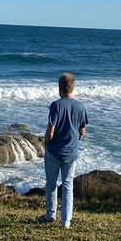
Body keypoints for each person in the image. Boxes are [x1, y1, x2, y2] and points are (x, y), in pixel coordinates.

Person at [38, 72, 88, 229]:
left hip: (54, 151)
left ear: (60, 88)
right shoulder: (80, 106)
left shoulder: (56, 105)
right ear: (72, 87)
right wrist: (74, 143)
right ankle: (66, 222)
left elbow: (50, 131)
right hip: (71, 153)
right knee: (68, 186)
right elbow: (82, 132)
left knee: (51, 184)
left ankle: (50, 215)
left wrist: (46, 144)